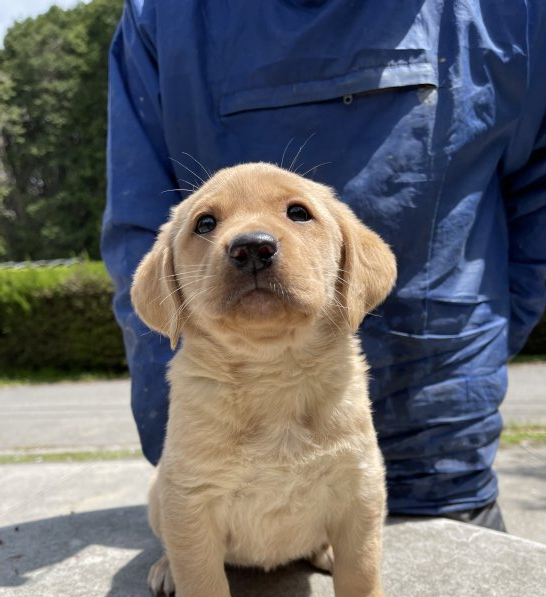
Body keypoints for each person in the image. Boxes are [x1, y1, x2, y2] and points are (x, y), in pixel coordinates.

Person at [101, 0, 546, 531]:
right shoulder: (162, 17)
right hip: (228, 459)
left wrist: (478, 343)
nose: (253, 245)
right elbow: (143, 244)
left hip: (438, 454)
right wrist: (193, 444)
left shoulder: (512, 11)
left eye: (295, 214)